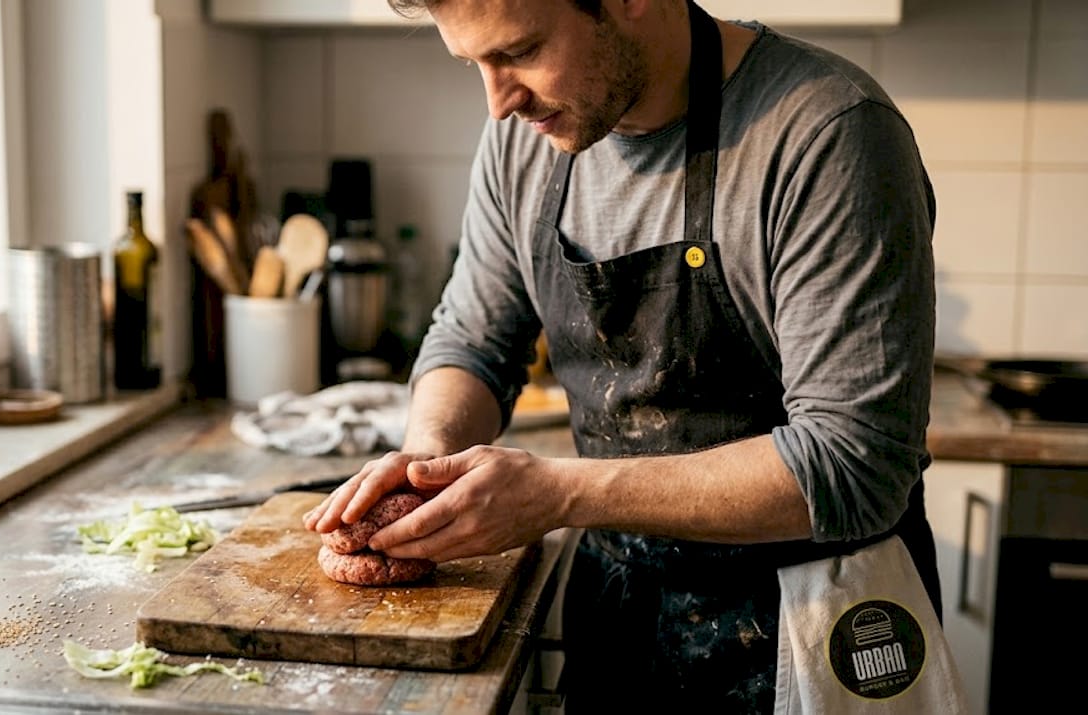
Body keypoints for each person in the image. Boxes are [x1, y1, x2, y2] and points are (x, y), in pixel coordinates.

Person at [305, 0, 966, 711]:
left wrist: (559, 492)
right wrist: (426, 460)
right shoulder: (527, 138)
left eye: (522, 52)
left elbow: (853, 465)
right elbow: (471, 338)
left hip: (813, 630)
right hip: (621, 619)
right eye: (474, 64)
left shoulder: (827, 134)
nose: (498, 103)